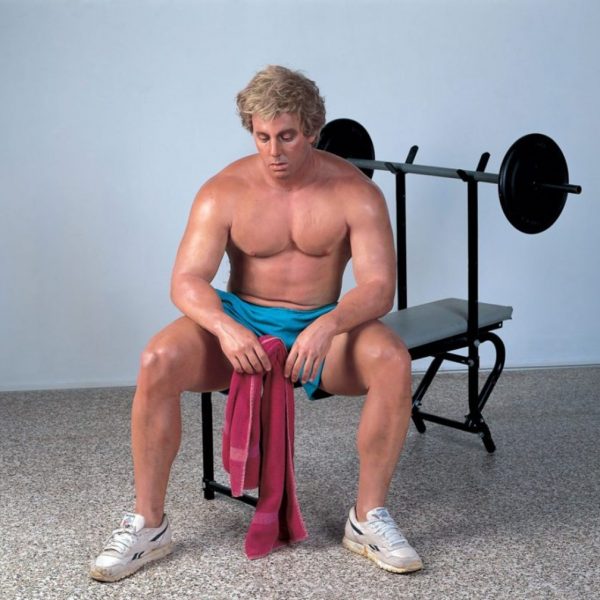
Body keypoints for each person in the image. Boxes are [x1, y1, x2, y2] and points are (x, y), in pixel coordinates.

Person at [90, 65, 422, 582]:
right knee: (156, 359)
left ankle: (368, 517)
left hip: (320, 325)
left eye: (287, 136)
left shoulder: (355, 192)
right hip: (241, 321)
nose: (274, 152)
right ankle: (148, 525)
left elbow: (379, 287)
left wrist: (331, 324)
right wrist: (224, 327)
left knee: (391, 360)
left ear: (312, 129)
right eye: (262, 136)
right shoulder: (224, 190)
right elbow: (186, 281)